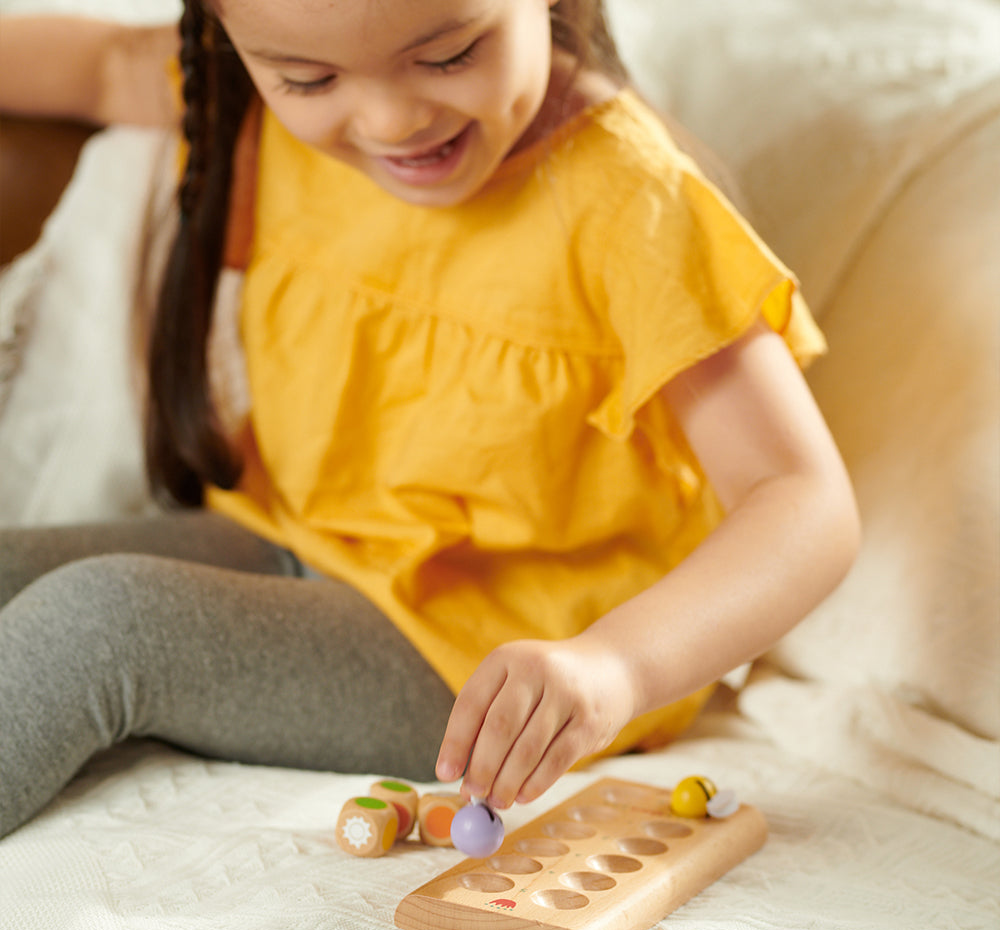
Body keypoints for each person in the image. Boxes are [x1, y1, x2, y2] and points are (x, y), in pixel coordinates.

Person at [0, 0, 860, 839]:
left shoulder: (633, 202)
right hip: (305, 543)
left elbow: (803, 502)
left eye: (450, 56)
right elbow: (103, 63)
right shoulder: (241, 99)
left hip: (490, 659)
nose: (390, 119)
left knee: (103, 625)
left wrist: (616, 665)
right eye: (308, 77)